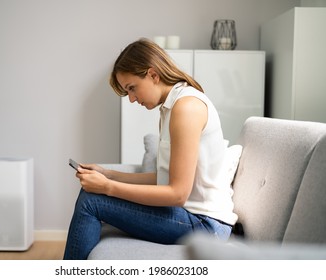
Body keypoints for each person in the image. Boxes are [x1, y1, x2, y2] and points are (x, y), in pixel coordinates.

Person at [63, 38, 238, 260]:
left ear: (153, 75)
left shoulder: (187, 107)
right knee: (90, 194)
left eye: (132, 88)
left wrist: (108, 187)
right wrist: (107, 174)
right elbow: (164, 178)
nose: (133, 99)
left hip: (206, 226)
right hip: (191, 217)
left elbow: (177, 194)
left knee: (92, 200)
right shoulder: (169, 108)